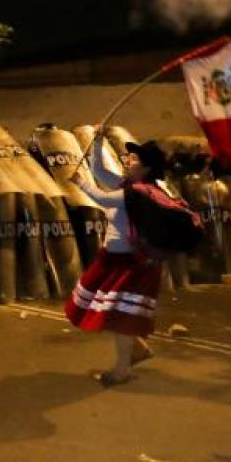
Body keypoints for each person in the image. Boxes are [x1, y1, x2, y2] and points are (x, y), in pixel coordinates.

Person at [64, 136, 168, 386]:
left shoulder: (140, 194)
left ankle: (122, 371)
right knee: (109, 310)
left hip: (132, 263)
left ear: (147, 169)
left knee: (121, 316)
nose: (127, 161)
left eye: (134, 159)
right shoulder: (127, 186)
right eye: (128, 157)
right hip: (113, 260)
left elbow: (101, 198)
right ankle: (138, 348)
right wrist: (97, 142)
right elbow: (98, 171)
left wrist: (80, 182)